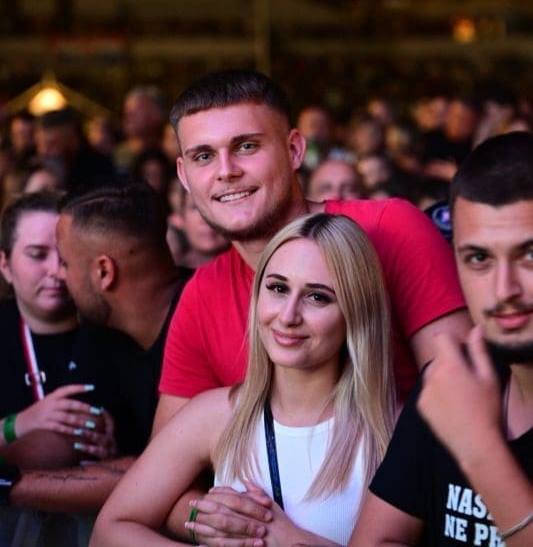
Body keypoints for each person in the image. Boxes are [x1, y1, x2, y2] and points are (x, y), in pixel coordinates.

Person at [154, 68, 469, 541]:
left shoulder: (391, 229)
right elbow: (166, 488)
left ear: (295, 150)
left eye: (246, 146)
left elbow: (470, 410)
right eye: (203, 156)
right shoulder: (202, 293)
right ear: (184, 175)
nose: (226, 170)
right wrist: (218, 521)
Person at [91, 212, 397, 547]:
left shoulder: (394, 429)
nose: (288, 315)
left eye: (317, 296)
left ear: (357, 311)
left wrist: (292, 540)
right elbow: (108, 530)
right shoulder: (216, 413)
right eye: (278, 288)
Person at [349, 131, 533, 547]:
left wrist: (477, 446)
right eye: (479, 258)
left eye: (530, 255)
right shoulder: (455, 377)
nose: (504, 289)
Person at [2, 178, 193, 517]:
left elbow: (160, 475)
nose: (59, 275)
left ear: (104, 271)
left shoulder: (210, 316)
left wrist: (8, 483)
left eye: (65, 262)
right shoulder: (101, 329)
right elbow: (66, 437)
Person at [0, 191, 114, 546]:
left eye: (65, 256)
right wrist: (17, 424)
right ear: (5, 265)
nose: (55, 271)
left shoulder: (114, 329)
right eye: (37, 254)